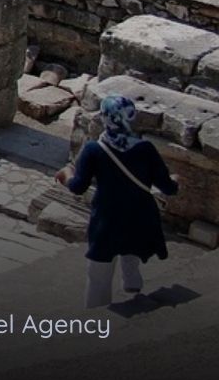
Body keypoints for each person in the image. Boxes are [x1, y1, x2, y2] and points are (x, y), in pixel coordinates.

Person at [56, 94, 179, 308]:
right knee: (131, 243)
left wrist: (66, 174)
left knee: (99, 271)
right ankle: (132, 284)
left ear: (105, 118)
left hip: (108, 216)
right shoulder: (146, 149)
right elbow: (167, 187)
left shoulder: (94, 150)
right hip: (139, 213)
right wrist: (177, 181)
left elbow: (78, 187)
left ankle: (96, 314)